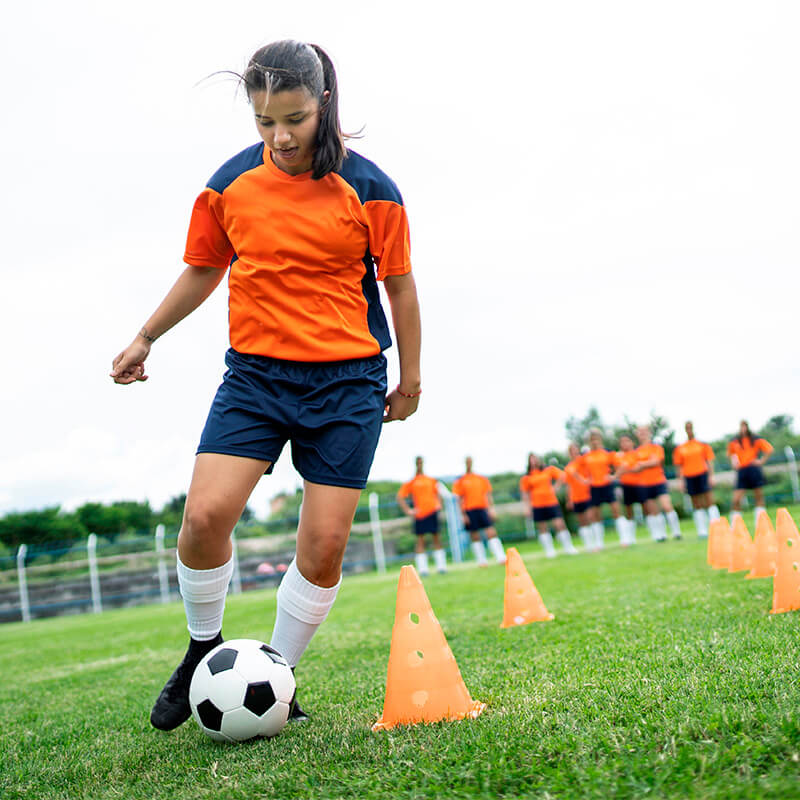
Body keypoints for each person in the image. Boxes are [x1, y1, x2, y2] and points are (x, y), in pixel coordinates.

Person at [110, 41, 422, 731]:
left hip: (348, 382)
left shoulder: (372, 190)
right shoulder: (229, 185)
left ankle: (275, 676)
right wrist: (145, 336)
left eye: (295, 118)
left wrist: (412, 378)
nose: (280, 136)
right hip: (256, 376)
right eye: (264, 121)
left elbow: (398, 286)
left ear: (324, 105)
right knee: (202, 521)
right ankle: (202, 653)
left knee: (324, 547)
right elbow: (202, 268)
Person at [519, 454, 578, 557]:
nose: (533, 461)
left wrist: (556, 487)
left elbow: (563, 475)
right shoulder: (527, 477)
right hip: (537, 504)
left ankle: (568, 547)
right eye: (531, 460)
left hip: (551, 502)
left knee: (559, 524)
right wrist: (527, 507)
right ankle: (549, 551)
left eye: (535, 459)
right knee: (542, 528)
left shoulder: (548, 470)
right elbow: (525, 493)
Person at [452, 456, 506, 566]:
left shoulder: (481, 479)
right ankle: (481, 561)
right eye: (467, 462)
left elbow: (488, 495)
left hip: (482, 508)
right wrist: (463, 515)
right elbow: (459, 499)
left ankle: (501, 557)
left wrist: (491, 509)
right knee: (475, 536)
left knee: (491, 532)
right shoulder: (460, 481)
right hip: (469, 510)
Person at [397, 457, 447, 575]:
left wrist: (438, 505)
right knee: (420, 540)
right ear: (416, 464)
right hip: (420, 515)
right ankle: (423, 569)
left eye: (421, 462)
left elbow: (438, 494)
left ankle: (441, 567)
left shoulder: (431, 480)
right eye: (418, 463)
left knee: (437, 538)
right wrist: (409, 510)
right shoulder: (412, 482)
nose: (420, 465)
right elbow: (400, 496)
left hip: (432, 513)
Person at [672, 421, 720, 538]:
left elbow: (709, 461)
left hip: (702, 474)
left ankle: (717, 526)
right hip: (689, 477)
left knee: (709, 500)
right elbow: (679, 467)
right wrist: (681, 481)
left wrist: (711, 476)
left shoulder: (702, 445)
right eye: (687, 428)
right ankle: (702, 530)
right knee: (696, 503)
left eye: (690, 428)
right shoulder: (680, 448)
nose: (689, 430)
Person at [634, 425, 681, 541]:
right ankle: (660, 535)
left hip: (658, 481)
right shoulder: (637, 451)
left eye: (644, 431)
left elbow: (657, 461)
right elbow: (635, 467)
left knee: (666, 506)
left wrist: (643, 464)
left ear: (649, 433)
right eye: (640, 432)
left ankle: (676, 532)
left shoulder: (656, 448)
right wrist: (647, 463)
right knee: (653, 511)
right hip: (645, 483)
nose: (642, 434)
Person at [582, 429, 627, 548]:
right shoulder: (586, 456)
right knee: (596, 515)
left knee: (616, 511)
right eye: (592, 439)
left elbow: (622, 465)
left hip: (607, 485)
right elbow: (575, 471)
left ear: (600, 439)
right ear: (588, 442)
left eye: (596, 438)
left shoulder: (607, 453)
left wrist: (614, 476)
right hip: (594, 487)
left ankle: (624, 539)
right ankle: (599, 543)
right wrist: (585, 480)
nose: (594, 441)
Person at [727, 420, 773, 527]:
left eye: (745, 426)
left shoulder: (755, 439)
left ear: (747, 427)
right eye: (741, 426)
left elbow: (769, 449)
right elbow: (731, 454)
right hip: (742, 471)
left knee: (758, 496)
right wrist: (734, 462)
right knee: (736, 499)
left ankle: (760, 523)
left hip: (753, 469)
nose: (743, 429)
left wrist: (761, 461)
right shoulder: (734, 441)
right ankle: (735, 525)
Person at [564, 443, 595, 550]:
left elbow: (591, 474)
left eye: (575, 449)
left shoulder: (583, 461)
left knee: (590, 518)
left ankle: (596, 542)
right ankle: (588, 544)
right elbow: (568, 485)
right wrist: (569, 499)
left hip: (587, 494)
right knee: (582, 521)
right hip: (576, 497)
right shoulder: (568, 467)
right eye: (571, 450)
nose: (573, 452)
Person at [614, 435, 640, 545]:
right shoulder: (618, 456)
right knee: (629, 511)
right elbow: (618, 471)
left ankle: (658, 535)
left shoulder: (637, 453)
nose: (625, 444)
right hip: (626, 485)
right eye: (622, 442)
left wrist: (627, 468)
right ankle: (631, 537)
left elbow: (638, 468)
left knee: (648, 507)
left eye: (627, 441)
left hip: (640, 484)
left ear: (632, 443)